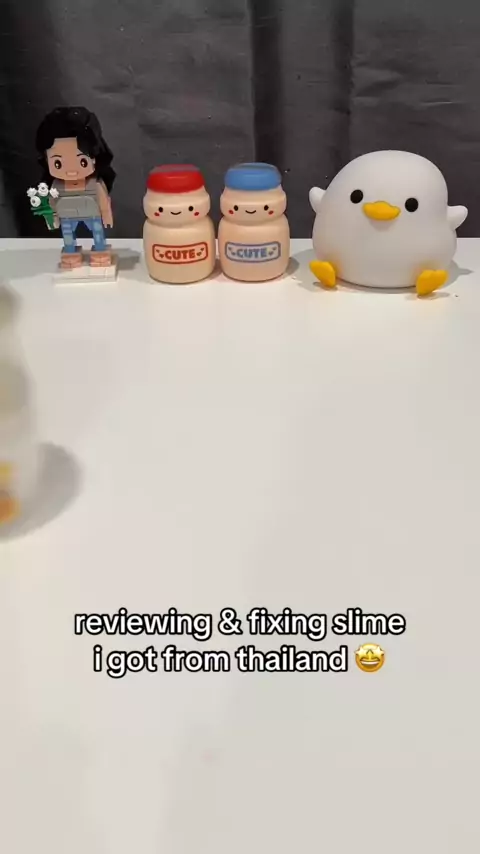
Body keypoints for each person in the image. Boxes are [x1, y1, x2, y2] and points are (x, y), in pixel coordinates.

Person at [36, 106, 115, 269]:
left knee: (98, 234)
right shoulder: (56, 186)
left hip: (93, 214)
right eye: (58, 163)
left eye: (82, 161)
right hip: (66, 216)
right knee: (68, 237)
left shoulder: (94, 184)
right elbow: (51, 204)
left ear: (94, 157)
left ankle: (100, 250)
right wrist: (52, 218)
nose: (71, 170)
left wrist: (106, 215)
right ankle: (70, 253)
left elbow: (103, 200)